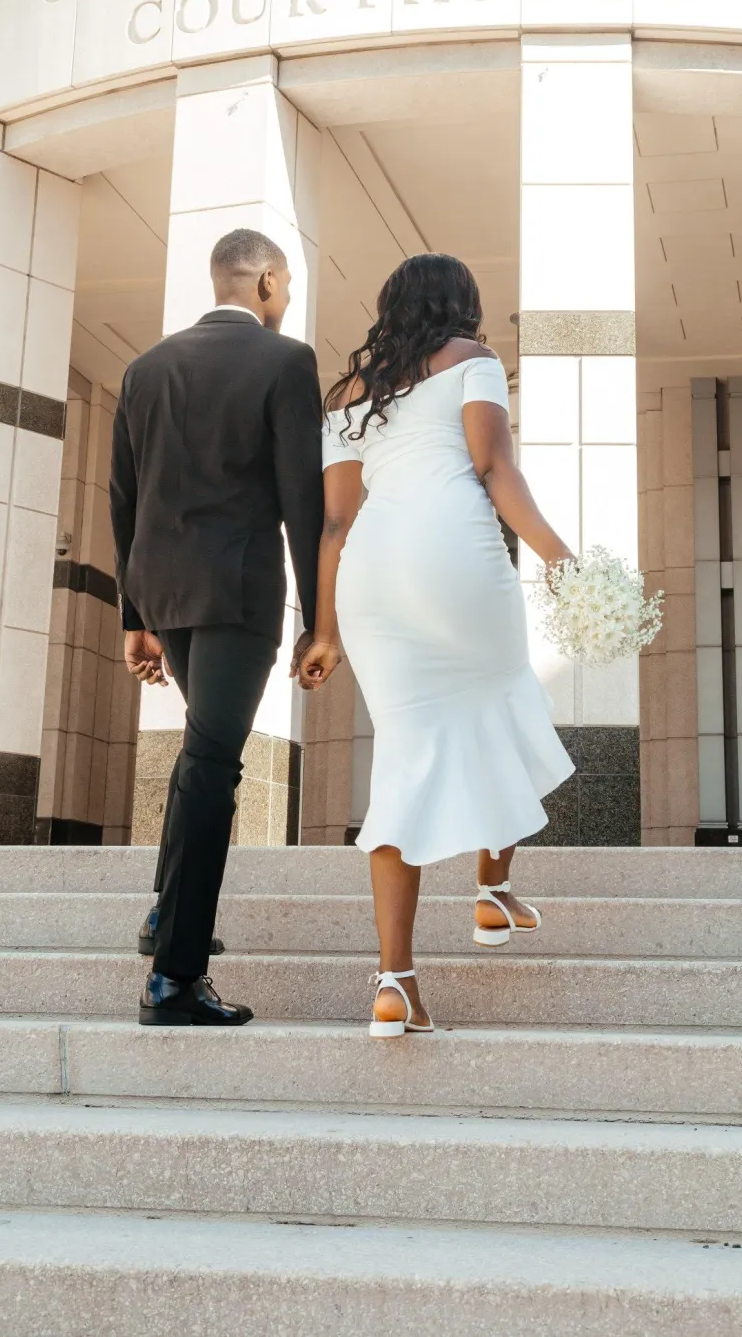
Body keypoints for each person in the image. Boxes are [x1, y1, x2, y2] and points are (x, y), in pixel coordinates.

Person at [298, 253, 576, 1037]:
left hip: (371, 579)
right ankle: (491, 891)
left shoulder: (348, 395)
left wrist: (325, 632)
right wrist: (559, 558)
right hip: (455, 556)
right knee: (501, 705)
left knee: (406, 754)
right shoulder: (475, 362)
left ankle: (395, 981)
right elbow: (493, 468)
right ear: (462, 304)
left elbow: (335, 523)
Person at [110, 229, 324, 1028]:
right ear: (266, 280)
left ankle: (167, 917)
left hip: (163, 591)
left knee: (202, 752)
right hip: (237, 593)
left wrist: (137, 618)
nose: (290, 297)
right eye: (289, 282)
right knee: (212, 765)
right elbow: (303, 498)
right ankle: (174, 978)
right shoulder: (285, 360)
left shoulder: (145, 367)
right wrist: (320, 616)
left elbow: (123, 499)